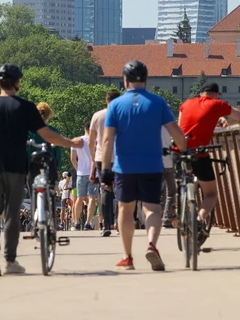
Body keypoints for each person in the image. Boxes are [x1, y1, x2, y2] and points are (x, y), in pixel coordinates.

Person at [0, 65, 83, 277]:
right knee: (12, 215)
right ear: (17, 82)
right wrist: (72, 143)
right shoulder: (25, 107)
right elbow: (48, 135)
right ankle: (10, 260)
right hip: (15, 166)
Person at [99, 60, 187, 272]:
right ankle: (151, 245)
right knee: (151, 208)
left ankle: (127, 256)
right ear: (146, 80)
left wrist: (104, 170)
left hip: (124, 167)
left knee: (125, 209)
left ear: (125, 80)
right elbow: (175, 131)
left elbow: (107, 140)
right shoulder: (158, 103)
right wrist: (184, 150)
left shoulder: (116, 105)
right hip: (152, 164)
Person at [178, 83, 240, 237]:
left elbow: (181, 128)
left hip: (180, 152)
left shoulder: (186, 104)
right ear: (216, 94)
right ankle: (199, 218)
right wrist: (229, 123)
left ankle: (182, 207)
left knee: (188, 180)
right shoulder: (217, 104)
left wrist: (218, 117)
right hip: (199, 154)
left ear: (201, 93)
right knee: (210, 194)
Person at [88, 89, 122, 236]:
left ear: (106, 100)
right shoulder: (124, 114)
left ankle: (106, 224)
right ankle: (122, 223)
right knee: (122, 190)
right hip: (121, 157)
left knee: (106, 190)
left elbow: (91, 141)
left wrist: (93, 158)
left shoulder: (97, 115)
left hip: (102, 157)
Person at [70, 124, 97, 230]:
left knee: (79, 198)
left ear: (84, 129)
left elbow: (72, 159)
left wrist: (78, 169)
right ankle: (88, 222)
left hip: (81, 173)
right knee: (92, 198)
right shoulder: (95, 141)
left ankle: (76, 222)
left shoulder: (77, 140)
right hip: (93, 173)